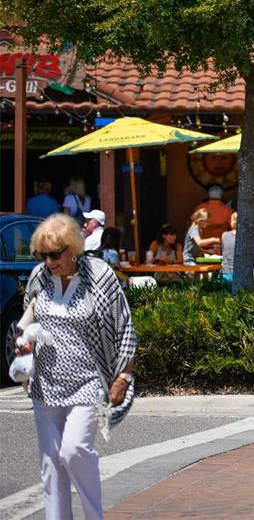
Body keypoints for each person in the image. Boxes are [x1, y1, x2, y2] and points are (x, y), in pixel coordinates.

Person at [17, 214, 136, 519]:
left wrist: (123, 375)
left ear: (72, 248)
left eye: (55, 255)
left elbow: (124, 328)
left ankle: (94, 515)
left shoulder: (99, 276)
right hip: (45, 385)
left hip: (88, 382)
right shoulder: (38, 278)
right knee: (52, 464)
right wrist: (26, 345)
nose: (49, 262)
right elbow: (27, 323)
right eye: (43, 255)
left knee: (74, 450)